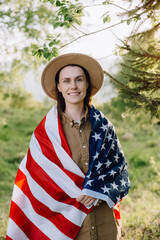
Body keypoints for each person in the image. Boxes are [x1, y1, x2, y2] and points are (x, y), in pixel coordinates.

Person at [6, 53, 130, 240]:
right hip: (66, 228)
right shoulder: (45, 133)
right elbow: (37, 182)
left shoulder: (104, 126)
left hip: (105, 224)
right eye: (67, 81)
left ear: (87, 84)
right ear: (59, 86)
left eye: (79, 80)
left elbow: (118, 170)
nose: (73, 86)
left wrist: (97, 188)